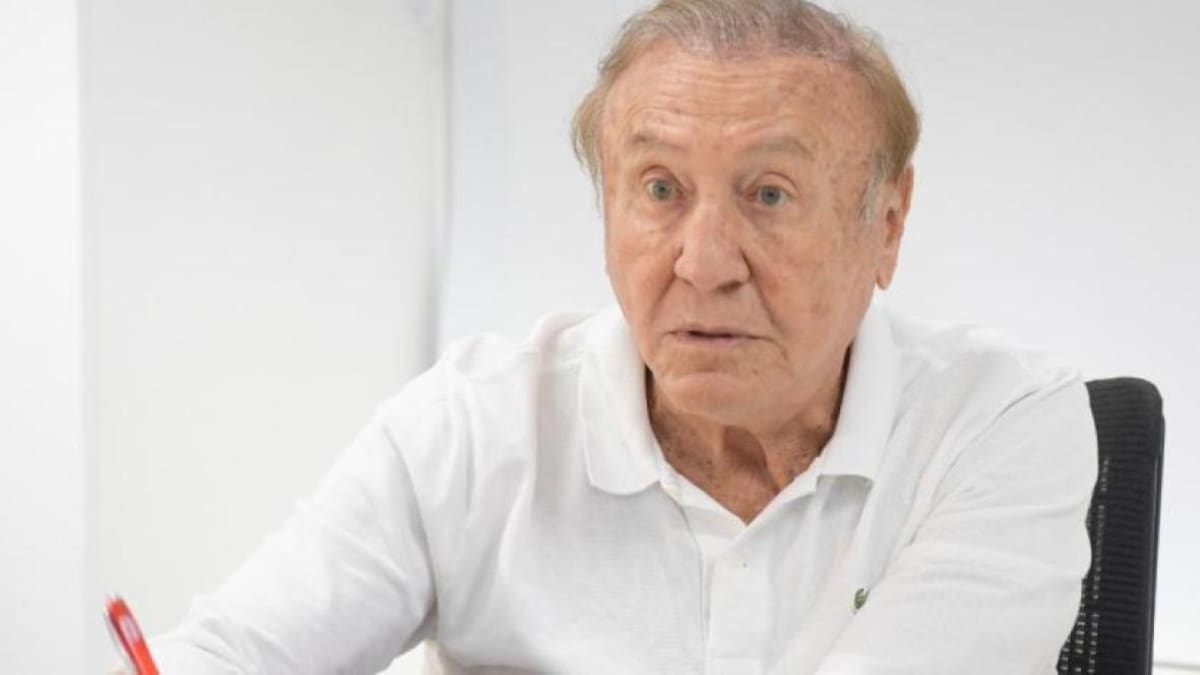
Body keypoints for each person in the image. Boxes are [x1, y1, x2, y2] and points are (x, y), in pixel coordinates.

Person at [121, 1, 1097, 672]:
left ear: (886, 224)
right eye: (660, 189)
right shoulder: (473, 429)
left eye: (768, 194)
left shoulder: (998, 422)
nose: (702, 261)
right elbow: (228, 653)